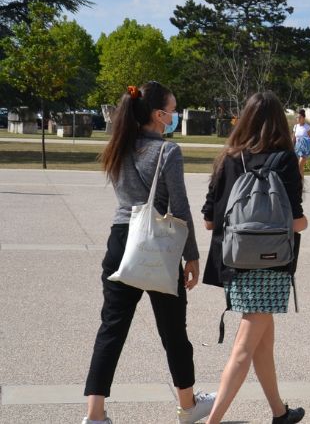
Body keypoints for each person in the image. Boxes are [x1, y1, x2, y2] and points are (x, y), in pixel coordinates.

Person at [86, 82, 215, 424]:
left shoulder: (120, 146)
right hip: (157, 242)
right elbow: (181, 207)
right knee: (173, 332)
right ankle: (188, 406)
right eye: (173, 111)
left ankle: (94, 414)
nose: (175, 117)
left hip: (120, 241)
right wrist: (192, 256)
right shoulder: (166, 152)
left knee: (111, 330)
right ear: (159, 116)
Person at [201, 92, 308, 424]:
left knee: (262, 342)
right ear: (279, 121)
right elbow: (296, 222)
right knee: (245, 348)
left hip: (234, 262)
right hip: (272, 263)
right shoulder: (285, 160)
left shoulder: (228, 159)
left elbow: (208, 220)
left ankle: (279, 412)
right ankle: (212, 421)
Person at [292, 109, 310, 175]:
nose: (297, 119)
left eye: (299, 117)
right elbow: (293, 138)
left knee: (299, 166)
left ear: (303, 118)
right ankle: (301, 183)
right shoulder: (295, 127)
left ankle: (298, 183)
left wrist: (306, 143)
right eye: (297, 117)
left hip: (304, 150)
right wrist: (291, 148)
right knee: (300, 168)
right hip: (297, 149)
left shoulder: (307, 127)